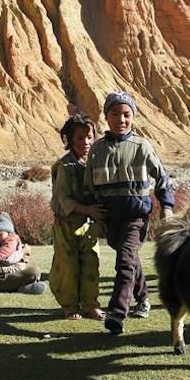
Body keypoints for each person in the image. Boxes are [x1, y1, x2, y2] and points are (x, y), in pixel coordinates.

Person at [85, 91, 174, 335]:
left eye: (126, 115)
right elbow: (90, 187)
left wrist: (166, 208)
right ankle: (143, 298)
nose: (121, 119)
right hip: (110, 219)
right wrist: (95, 215)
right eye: (115, 114)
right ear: (106, 116)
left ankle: (117, 313)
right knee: (130, 260)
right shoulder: (97, 150)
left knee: (124, 262)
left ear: (133, 117)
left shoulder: (142, 146)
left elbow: (163, 179)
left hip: (136, 217)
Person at [49, 114, 105, 320]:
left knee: (91, 262)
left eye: (89, 137)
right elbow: (63, 199)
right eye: (80, 138)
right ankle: (70, 306)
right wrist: (88, 210)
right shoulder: (65, 166)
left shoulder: (94, 163)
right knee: (68, 265)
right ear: (70, 140)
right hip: (66, 224)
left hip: (88, 225)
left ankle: (91, 305)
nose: (86, 142)